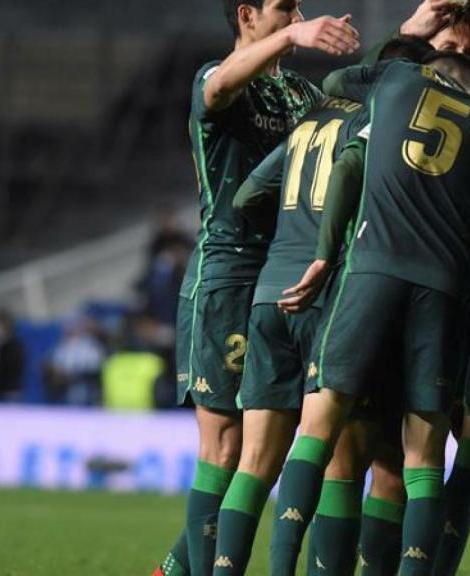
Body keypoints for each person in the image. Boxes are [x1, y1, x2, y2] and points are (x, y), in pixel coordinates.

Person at [270, 51, 470, 575]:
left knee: (321, 427)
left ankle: (283, 564)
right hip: (442, 289)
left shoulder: (398, 78)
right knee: (423, 454)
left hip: (372, 272)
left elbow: (334, 80)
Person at [153, 2, 360, 575]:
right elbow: (218, 89)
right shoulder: (214, 77)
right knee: (222, 451)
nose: (297, 13)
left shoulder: (297, 92)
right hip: (226, 277)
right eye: (283, 7)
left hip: (279, 278)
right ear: (247, 13)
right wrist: (295, 33)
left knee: (263, 455)